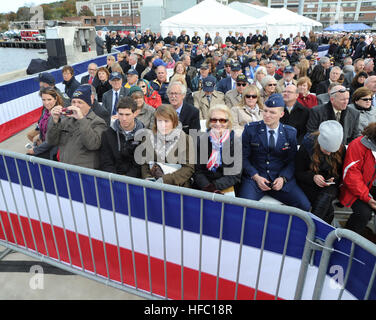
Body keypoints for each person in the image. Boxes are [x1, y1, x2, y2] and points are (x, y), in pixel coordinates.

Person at [238, 93, 311, 211]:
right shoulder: (251, 129)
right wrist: (256, 177)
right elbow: (243, 157)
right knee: (243, 208)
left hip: (280, 179)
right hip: (255, 179)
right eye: (265, 111)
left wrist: (283, 178)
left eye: (272, 112)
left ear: (281, 114)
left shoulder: (290, 132)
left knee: (304, 206)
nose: (267, 115)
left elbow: (292, 160)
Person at [295, 120, 345, 224]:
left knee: (327, 196)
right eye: (326, 149)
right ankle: (315, 229)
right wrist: (313, 177)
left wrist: (332, 179)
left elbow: (340, 174)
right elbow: (298, 172)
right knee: (328, 210)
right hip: (309, 183)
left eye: (332, 151)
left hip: (330, 185)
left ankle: (312, 228)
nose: (329, 153)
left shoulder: (341, 149)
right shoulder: (307, 146)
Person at [47, 85, 107, 169]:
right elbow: (51, 141)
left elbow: (93, 145)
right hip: (65, 168)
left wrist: (81, 119)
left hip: (84, 172)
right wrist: (55, 121)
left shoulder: (98, 122)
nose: (76, 105)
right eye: (73, 102)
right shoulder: (66, 120)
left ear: (89, 104)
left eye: (80, 102)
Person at [140, 104, 195, 187]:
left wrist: (164, 180)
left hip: (178, 187)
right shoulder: (148, 138)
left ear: (174, 122)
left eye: (166, 121)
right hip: (153, 186)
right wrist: (148, 178)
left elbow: (188, 168)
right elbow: (144, 164)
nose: (163, 125)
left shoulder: (186, 139)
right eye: (159, 121)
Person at [194, 104, 241, 195]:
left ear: (228, 123)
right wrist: (207, 186)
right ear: (209, 122)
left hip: (226, 185)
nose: (218, 124)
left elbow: (234, 175)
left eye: (222, 120)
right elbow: (198, 171)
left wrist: (214, 187)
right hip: (204, 185)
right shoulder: (202, 140)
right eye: (214, 120)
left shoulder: (235, 143)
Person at [339, 123, 376, 235]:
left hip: (371, 187)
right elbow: (351, 176)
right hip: (355, 189)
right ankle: (346, 241)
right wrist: (368, 198)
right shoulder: (358, 145)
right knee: (363, 214)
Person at [100, 96, 144, 177]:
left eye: (127, 114)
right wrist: (115, 179)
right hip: (113, 179)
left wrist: (126, 180)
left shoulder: (144, 135)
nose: (124, 118)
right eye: (121, 114)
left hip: (134, 181)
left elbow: (139, 164)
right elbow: (106, 161)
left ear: (135, 114)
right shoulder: (108, 134)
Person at [26, 87, 61, 160]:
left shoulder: (59, 114)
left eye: (49, 99)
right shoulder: (45, 111)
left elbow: (52, 140)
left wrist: (35, 150)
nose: (46, 103)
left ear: (55, 99)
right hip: (44, 144)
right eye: (43, 100)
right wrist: (36, 142)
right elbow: (41, 128)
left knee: (30, 157)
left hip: (54, 150)